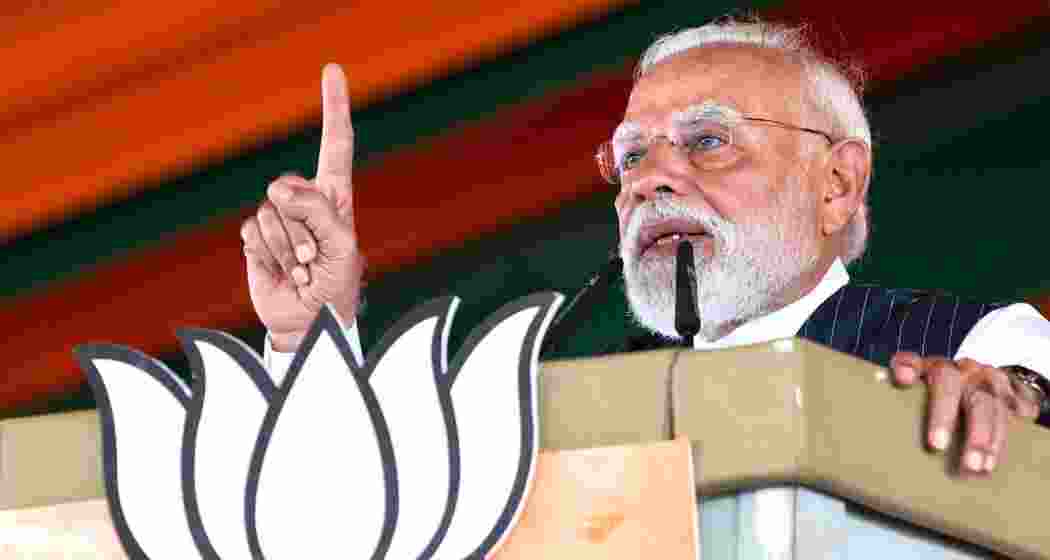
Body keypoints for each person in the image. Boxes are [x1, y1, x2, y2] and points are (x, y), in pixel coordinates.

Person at [240, 16, 1050, 479]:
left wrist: (1016, 404)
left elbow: (1026, 396)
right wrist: (307, 335)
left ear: (836, 183)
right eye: (631, 156)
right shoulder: (550, 395)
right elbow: (371, 509)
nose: (649, 180)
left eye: (706, 140)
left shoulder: (977, 343)